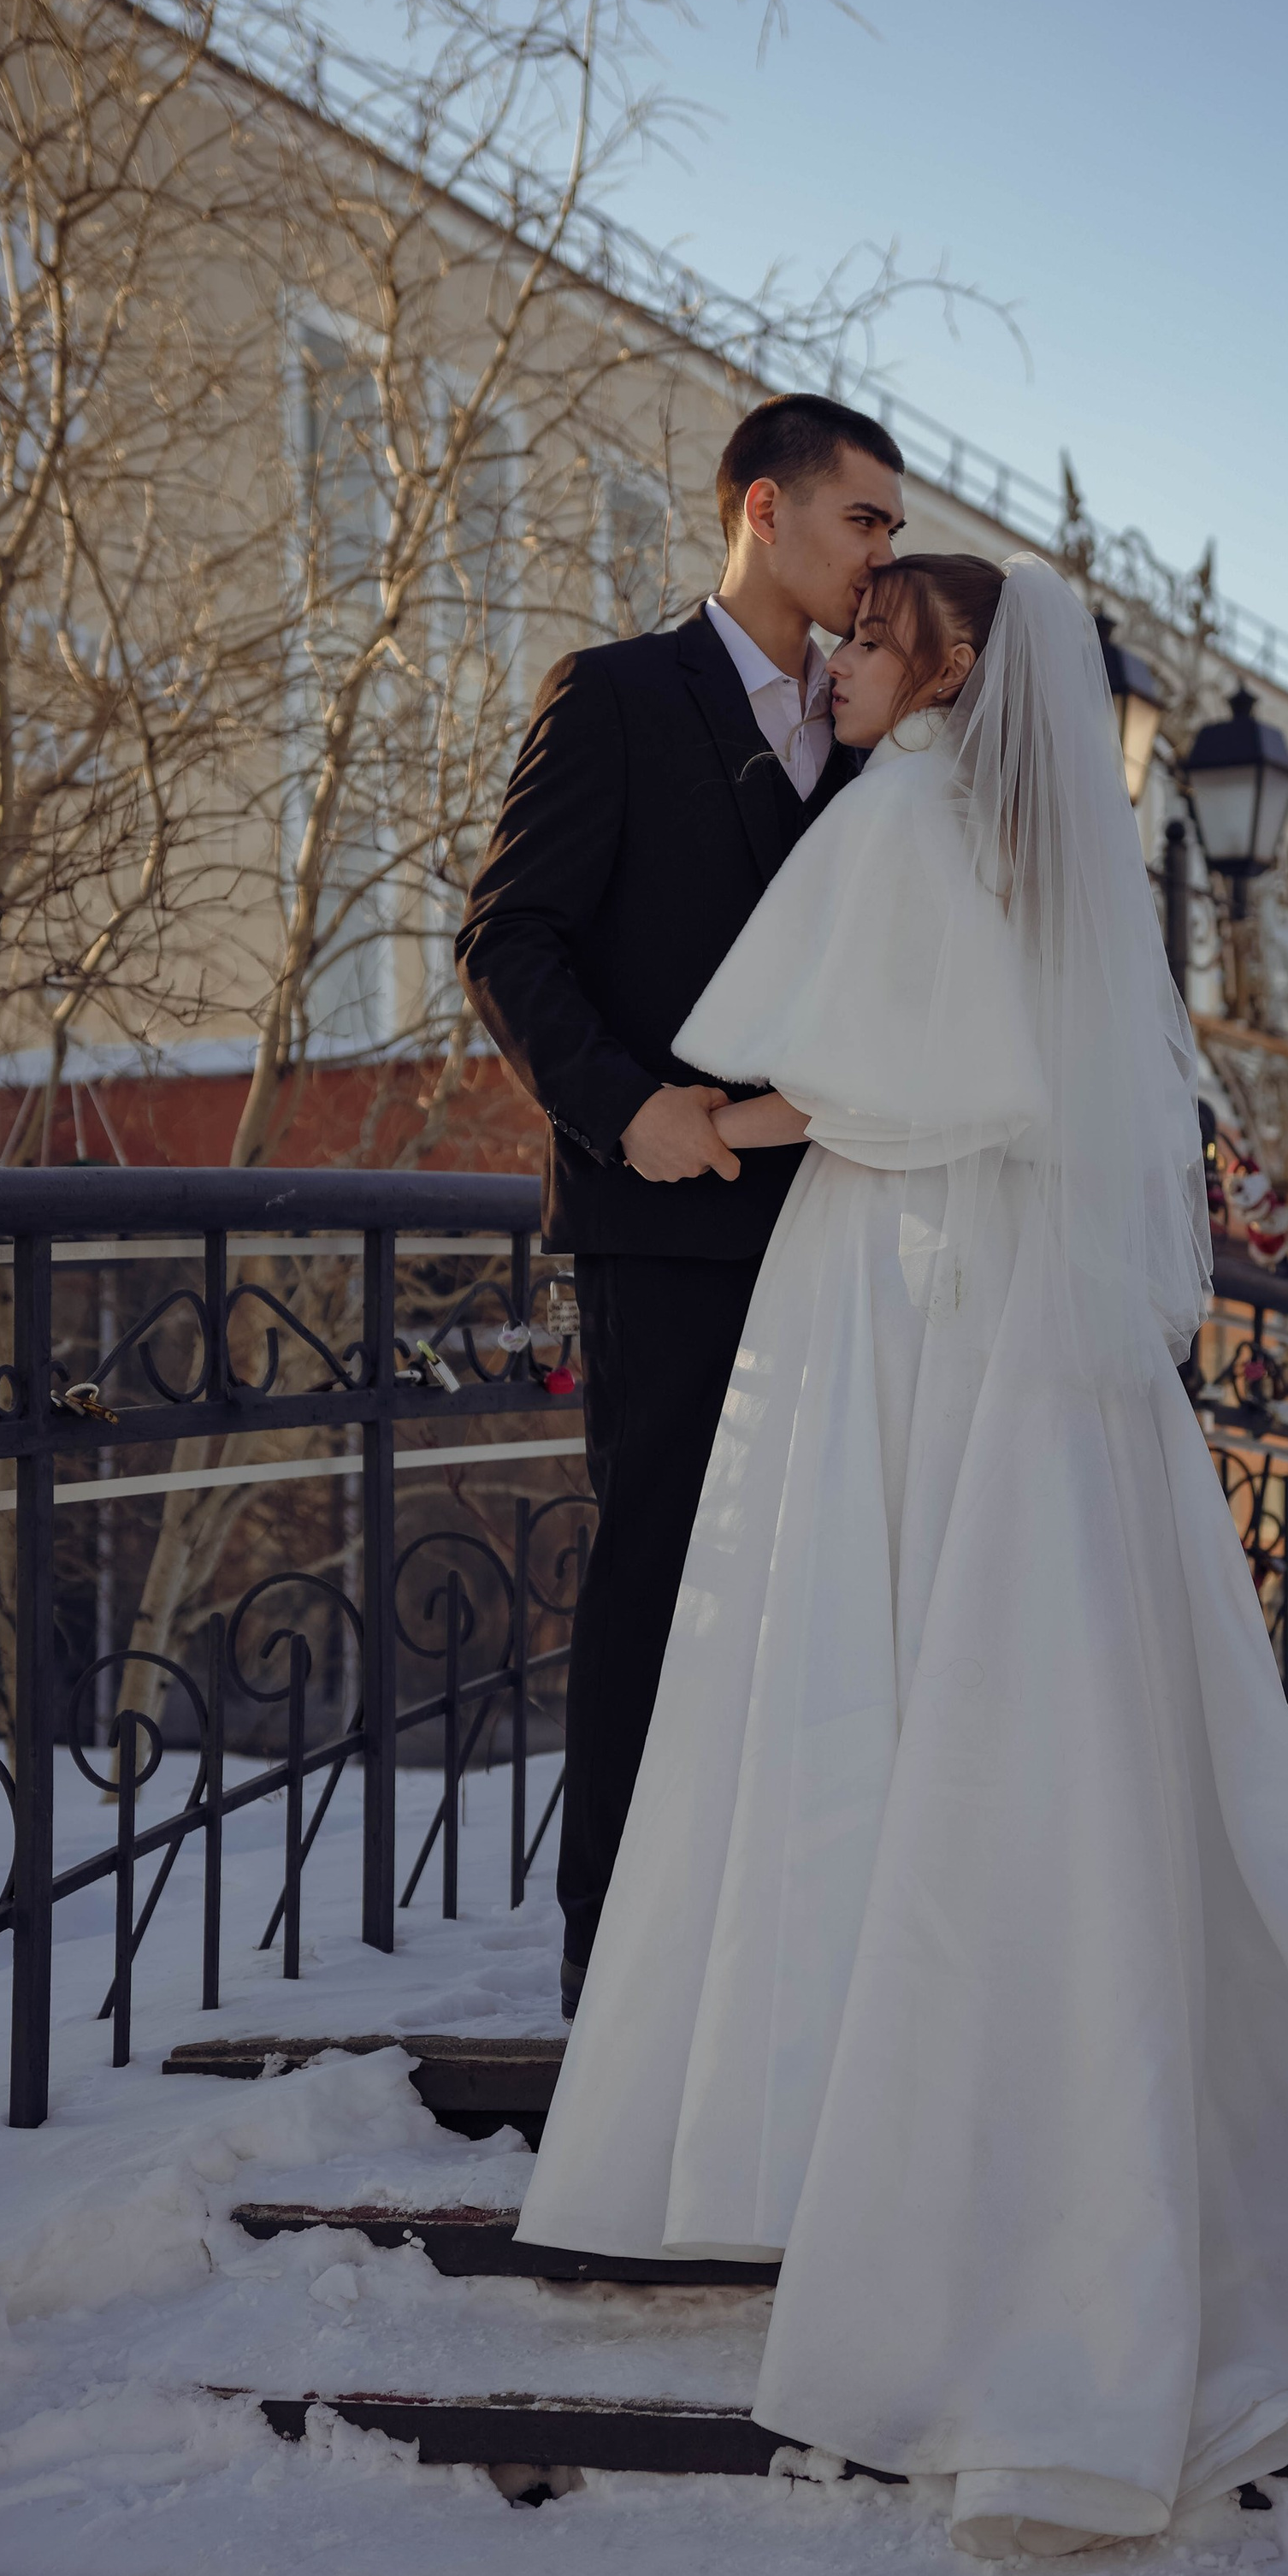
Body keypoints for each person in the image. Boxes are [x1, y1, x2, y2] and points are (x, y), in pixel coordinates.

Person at [517, 552, 1288, 2560]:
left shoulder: (899, 813)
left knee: (858, 1647)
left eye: (869, 635)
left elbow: (888, 1080)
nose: (832, 660)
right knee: (1018, 1674)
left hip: (897, 1282)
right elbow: (1028, 1075)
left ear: (948, 663)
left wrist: (712, 1122)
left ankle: (834, 2129)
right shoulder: (1019, 835)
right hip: (1011, 1294)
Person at [456, 394, 906, 2015]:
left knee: (840, 1600)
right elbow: (509, 939)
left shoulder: (886, 729)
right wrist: (627, 1107)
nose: (882, 559)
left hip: (859, 1236)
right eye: (865, 522)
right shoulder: (619, 695)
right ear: (764, 511)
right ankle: (622, 1992)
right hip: (672, 1231)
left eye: (895, 533)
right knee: (666, 1585)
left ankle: (798, 1971)